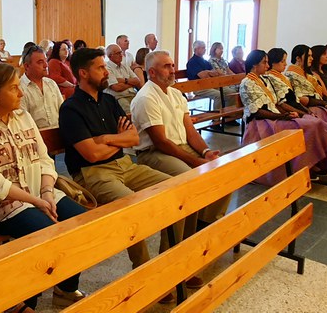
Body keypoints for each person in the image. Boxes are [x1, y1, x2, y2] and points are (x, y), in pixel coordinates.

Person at [0, 63, 87, 309]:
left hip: (38, 190)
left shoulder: (23, 117)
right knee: (46, 234)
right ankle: (26, 300)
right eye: (13, 88)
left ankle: (65, 287)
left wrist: (47, 192)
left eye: (19, 87)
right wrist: (37, 201)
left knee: (81, 223)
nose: (21, 93)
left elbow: (44, 159)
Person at [58, 48, 181, 295]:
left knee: (176, 189)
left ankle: (168, 261)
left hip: (125, 165)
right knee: (132, 205)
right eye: (100, 68)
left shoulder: (109, 101)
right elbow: (91, 155)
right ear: (83, 73)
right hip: (93, 173)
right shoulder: (71, 109)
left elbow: (133, 138)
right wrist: (118, 139)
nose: (106, 72)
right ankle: (144, 272)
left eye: (105, 67)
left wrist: (105, 139)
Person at [131, 50, 229, 268]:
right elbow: (161, 142)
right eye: (167, 66)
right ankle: (172, 255)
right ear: (152, 72)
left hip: (181, 147)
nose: (173, 70)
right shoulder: (146, 98)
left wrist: (206, 153)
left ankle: (200, 232)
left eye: (173, 65)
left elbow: (190, 132)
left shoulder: (176, 94)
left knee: (223, 171)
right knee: (188, 181)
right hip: (154, 153)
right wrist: (195, 162)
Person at [239, 50, 327, 188]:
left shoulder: (265, 79)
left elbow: (281, 102)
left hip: (276, 117)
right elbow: (258, 112)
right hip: (262, 124)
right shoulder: (247, 82)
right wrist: (283, 116)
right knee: (312, 126)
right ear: (254, 65)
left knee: (318, 124)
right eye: (264, 62)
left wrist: (301, 113)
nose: (267, 65)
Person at [20, 45, 63, 129]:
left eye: (46, 60)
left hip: (59, 132)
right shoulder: (20, 88)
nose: (46, 65)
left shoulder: (51, 84)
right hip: (35, 134)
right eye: (40, 62)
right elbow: (23, 122)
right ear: (27, 66)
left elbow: (63, 111)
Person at [104, 44, 141, 113]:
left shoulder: (125, 65)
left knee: (143, 110)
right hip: (119, 97)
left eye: (121, 52)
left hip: (133, 94)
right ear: (110, 56)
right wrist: (132, 83)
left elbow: (137, 81)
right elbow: (116, 88)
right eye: (118, 53)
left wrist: (124, 80)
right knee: (129, 113)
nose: (121, 55)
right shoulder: (107, 68)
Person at [185, 40, 223, 108]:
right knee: (218, 95)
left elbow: (215, 73)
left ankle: (230, 113)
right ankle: (217, 114)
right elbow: (203, 76)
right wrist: (209, 72)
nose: (205, 49)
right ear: (196, 49)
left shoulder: (205, 61)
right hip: (198, 87)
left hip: (209, 85)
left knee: (229, 92)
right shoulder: (192, 62)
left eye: (205, 48)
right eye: (203, 48)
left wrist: (207, 72)